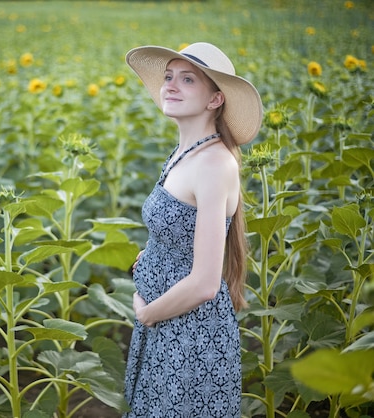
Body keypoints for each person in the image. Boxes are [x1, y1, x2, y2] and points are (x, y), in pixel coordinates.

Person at [123, 42, 263, 417]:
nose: (170, 85)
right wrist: (155, 253)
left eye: (187, 79)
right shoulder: (185, 152)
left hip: (189, 337)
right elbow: (180, 230)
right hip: (168, 327)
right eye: (168, 77)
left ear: (215, 99)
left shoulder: (215, 164)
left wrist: (147, 313)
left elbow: (204, 283)